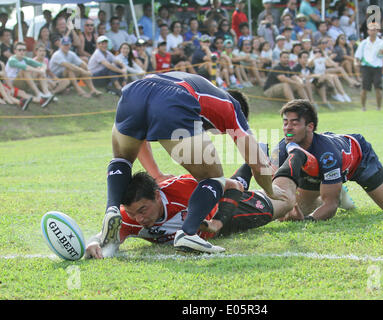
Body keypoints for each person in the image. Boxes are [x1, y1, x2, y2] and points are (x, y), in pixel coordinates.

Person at [98, 72, 285, 256]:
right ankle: (188, 233)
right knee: (213, 177)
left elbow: (140, 138)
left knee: (121, 160)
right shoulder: (232, 107)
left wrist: (157, 174)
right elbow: (257, 163)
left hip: (134, 91)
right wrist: (270, 190)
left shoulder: (201, 88)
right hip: (174, 98)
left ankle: (112, 209)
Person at [85, 146, 302, 259]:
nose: (139, 219)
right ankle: (260, 154)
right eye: (133, 214)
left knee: (286, 200)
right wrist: (94, 242)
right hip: (219, 211)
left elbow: (232, 188)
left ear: (157, 194)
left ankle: (293, 154)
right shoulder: (130, 217)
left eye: (143, 209)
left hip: (235, 211)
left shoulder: (184, 187)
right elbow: (108, 239)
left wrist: (216, 223)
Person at [271, 99, 383, 222]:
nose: (287, 128)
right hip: (322, 169)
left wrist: (308, 221)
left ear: (310, 126)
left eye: (294, 123)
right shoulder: (282, 149)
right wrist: (292, 208)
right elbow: (280, 189)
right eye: (285, 123)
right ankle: (334, 187)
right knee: (292, 214)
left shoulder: (326, 155)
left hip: (359, 159)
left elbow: (331, 207)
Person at [354, 22, 383, 111]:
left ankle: (379, 107)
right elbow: (357, 56)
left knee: (378, 88)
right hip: (366, 67)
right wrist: (357, 66)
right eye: (371, 30)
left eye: (375, 30)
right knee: (364, 89)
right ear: (368, 31)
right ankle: (363, 107)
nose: (373, 32)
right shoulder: (363, 43)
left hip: (377, 67)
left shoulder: (382, 43)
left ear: (377, 31)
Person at [4, 42, 54, 108]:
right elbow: (26, 67)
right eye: (19, 50)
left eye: (24, 50)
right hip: (12, 84)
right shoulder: (12, 60)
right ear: (15, 51)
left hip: (23, 83)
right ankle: (38, 93)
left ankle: (46, 93)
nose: (22, 52)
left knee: (38, 70)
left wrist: (42, 70)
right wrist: (40, 70)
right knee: (25, 70)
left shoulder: (25, 59)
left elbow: (43, 65)